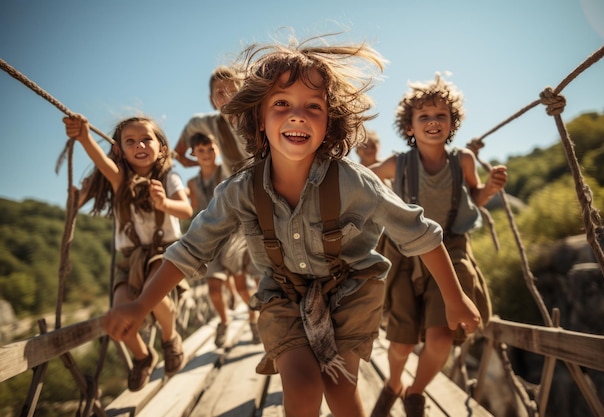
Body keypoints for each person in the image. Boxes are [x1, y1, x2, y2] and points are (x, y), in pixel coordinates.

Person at [103, 36, 481, 417]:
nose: (297, 115)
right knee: (301, 389)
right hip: (282, 296)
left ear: (330, 123)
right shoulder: (240, 191)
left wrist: (454, 297)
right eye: (281, 104)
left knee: (339, 390)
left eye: (313, 106)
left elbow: (420, 234)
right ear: (258, 120)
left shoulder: (354, 181)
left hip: (351, 290)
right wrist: (140, 305)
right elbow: (190, 250)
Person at [368, 73, 508, 417]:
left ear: (452, 123)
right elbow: (360, 178)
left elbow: (473, 197)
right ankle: (395, 383)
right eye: (424, 117)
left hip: (450, 248)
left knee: (441, 338)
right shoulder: (396, 164)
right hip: (404, 254)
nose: (433, 122)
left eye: (441, 116)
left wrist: (488, 189)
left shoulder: (463, 161)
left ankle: (415, 392)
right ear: (410, 127)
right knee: (400, 344)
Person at [63, 114, 193, 392]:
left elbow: (186, 210)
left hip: (165, 254)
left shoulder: (169, 177)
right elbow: (102, 162)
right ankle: (143, 357)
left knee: (154, 293)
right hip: (130, 259)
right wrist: (84, 137)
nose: (140, 145)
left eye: (146, 138)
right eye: (130, 141)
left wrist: (164, 203)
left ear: (162, 147)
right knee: (119, 310)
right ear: (119, 150)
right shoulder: (119, 181)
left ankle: (170, 339)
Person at [186, 132, 260, 346]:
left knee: (242, 288)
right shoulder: (192, 183)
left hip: (234, 238)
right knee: (213, 287)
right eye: (201, 151)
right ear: (193, 154)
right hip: (210, 241)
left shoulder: (228, 172)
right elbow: (190, 208)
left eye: (211, 149)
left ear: (218, 149)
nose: (207, 154)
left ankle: (254, 319)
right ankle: (224, 322)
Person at [174, 65, 249, 175]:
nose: (228, 98)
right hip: (237, 189)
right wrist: (196, 163)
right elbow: (190, 127)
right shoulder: (212, 123)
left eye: (233, 92)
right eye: (220, 93)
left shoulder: (254, 119)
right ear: (211, 100)